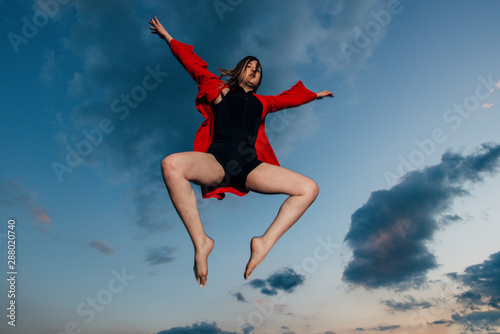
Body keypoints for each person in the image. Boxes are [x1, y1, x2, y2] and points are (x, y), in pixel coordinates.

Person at [149, 17, 334, 287]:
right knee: (171, 165)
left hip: (250, 167)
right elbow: (193, 64)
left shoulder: (263, 102)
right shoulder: (218, 89)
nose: (255, 69)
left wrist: (315, 95)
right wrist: (168, 38)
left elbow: (287, 99)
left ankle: (263, 243)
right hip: (218, 162)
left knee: (309, 188)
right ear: (240, 71)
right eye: (250, 66)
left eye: (258, 68)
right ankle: (202, 242)